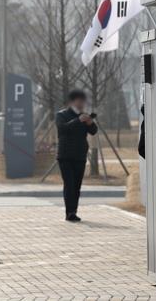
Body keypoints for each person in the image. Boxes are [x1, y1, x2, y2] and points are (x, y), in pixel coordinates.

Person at [55, 90, 98, 222]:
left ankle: (74, 211)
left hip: (80, 156)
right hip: (65, 156)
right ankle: (69, 213)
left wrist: (90, 122)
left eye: (83, 101)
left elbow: (93, 131)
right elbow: (63, 129)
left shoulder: (84, 116)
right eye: (78, 100)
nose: (81, 103)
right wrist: (77, 120)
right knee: (69, 184)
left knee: (77, 185)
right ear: (72, 101)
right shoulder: (61, 114)